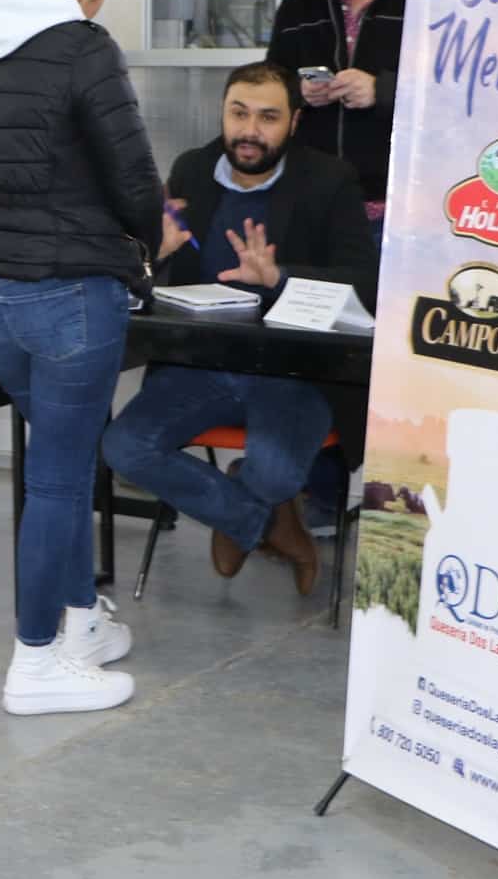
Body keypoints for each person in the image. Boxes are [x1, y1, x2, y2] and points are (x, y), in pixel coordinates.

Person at [0, 0, 161, 716]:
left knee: (57, 464)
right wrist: (147, 242)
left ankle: (78, 623)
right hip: (69, 292)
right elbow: (133, 173)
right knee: (61, 480)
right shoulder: (81, 46)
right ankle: (36, 660)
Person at [101, 63, 377, 597]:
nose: (250, 130)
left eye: (268, 117)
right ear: (223, 114)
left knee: (275, 475)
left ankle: (246, 505)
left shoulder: (328, 179)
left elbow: (366, 284)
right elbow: (150, 282)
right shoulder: (192, 169)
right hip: (199, 368)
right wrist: (154, 254)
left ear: (295, 122)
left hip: (293, 372)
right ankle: (264, 522)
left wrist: (279, 278)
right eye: (239, 113)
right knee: (125, 449)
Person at [266, 0, 408, 229]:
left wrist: (383, 91)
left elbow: (463, 93)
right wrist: (299, 92)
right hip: (317, 204)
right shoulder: (299, 5)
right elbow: (270, 85)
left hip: (406, 209)